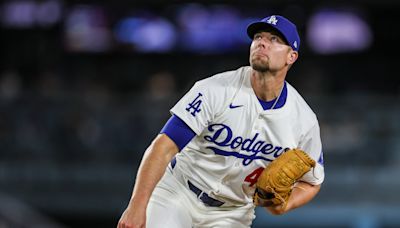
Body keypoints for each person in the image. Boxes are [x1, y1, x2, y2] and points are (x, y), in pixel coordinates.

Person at [117, 15, 325, 228]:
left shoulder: (303, 120)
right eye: (258, 37)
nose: (262, 42)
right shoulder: (215, 90)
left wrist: (285, 204)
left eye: (274, 39)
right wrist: (137, 205)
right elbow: (162, 148)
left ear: (291, 56)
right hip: (178, 193)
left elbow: (313, 181)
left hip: (233, 212)